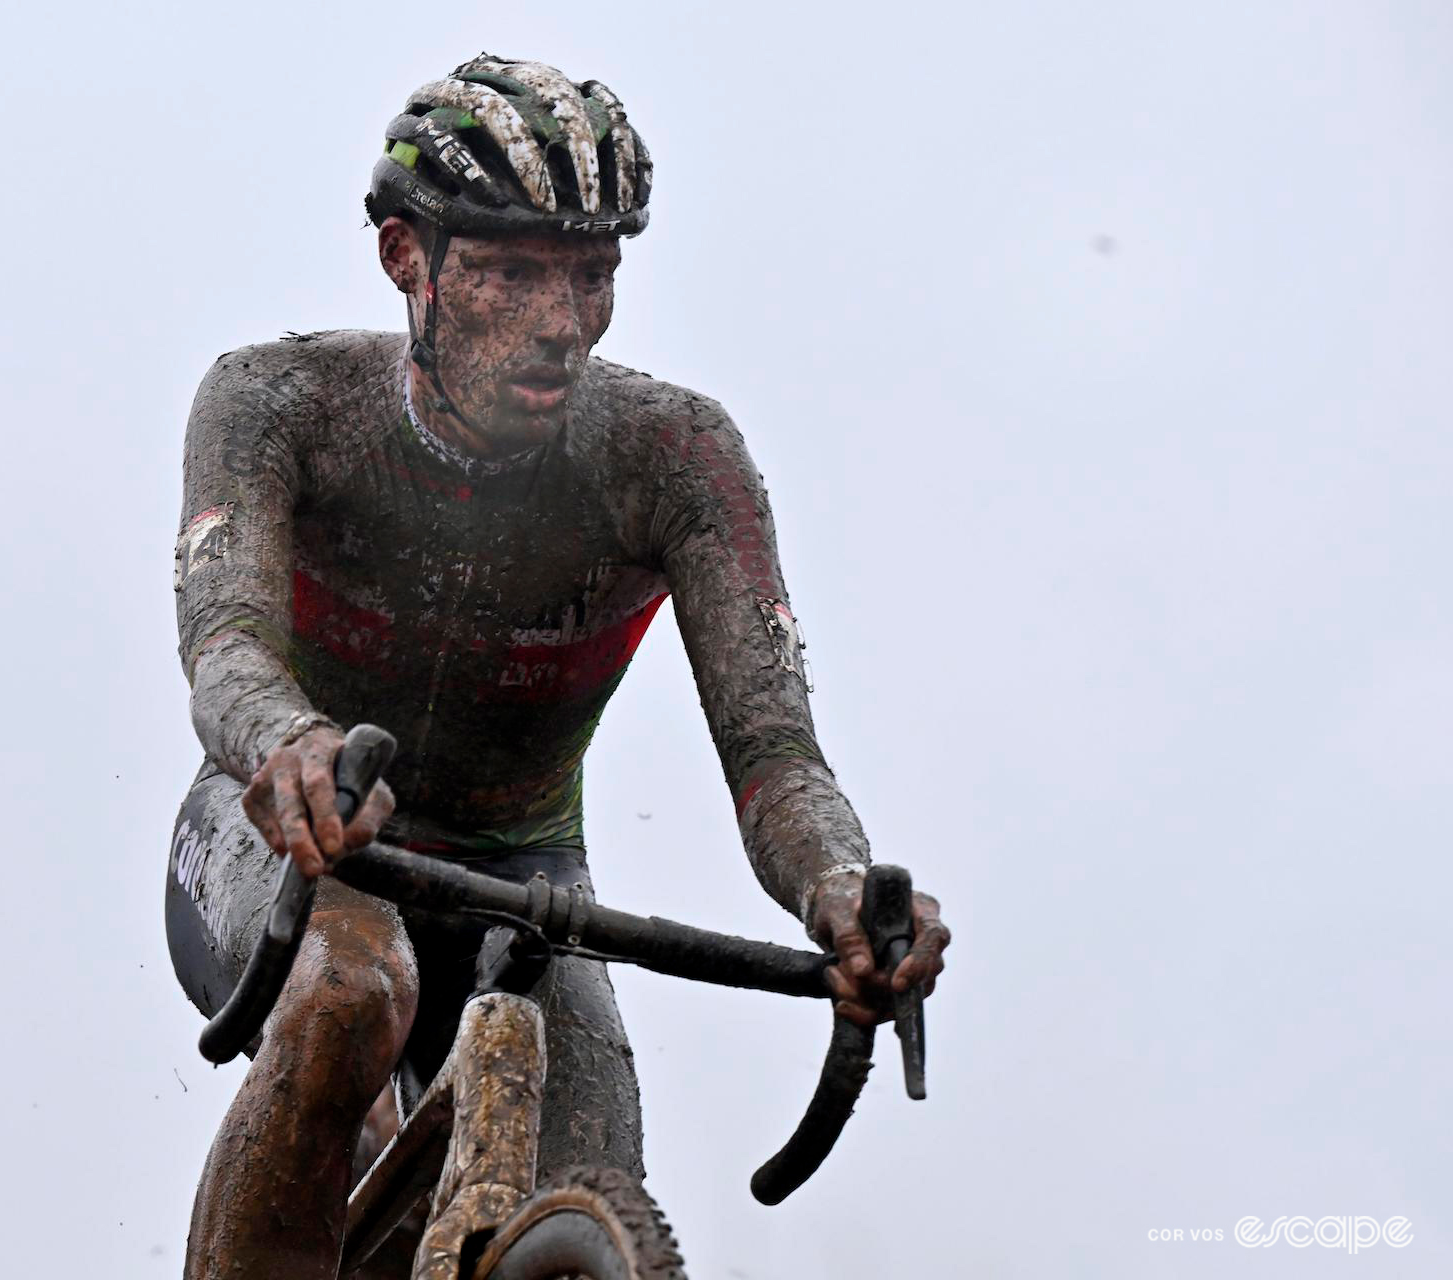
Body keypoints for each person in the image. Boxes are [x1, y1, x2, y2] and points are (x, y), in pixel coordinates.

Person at [165, 54, 951, 1278]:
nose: (561, 323)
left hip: (523, 877)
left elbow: (776, 757)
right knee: (346, 997)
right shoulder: (274, 401)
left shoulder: (678, 456)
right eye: (513, 273)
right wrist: (288, 746)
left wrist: (842, 889)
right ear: (405, 260)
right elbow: (226, 648)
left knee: (600, 1188)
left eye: (593, 275)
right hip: (294, 838)